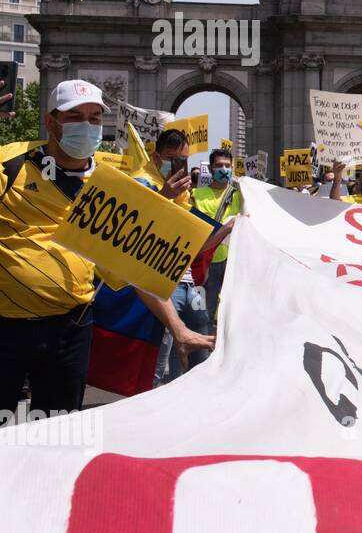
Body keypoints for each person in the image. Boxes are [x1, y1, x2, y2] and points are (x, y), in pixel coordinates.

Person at [0, 81, 212, 413]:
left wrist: (178, 328)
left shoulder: (113, 185)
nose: (87, 125)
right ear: (50, 121)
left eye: (95, 118)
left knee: (59, 433)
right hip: (5, 326)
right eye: (75, 117)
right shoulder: (9, 162)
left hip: (70, 329)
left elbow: (135, 265)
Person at [143, 128, 212, 382]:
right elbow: (135, 226)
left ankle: (189, 393)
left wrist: (224, 230)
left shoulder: (185, 192)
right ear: (156, 157)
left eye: (182, 160)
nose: (177, 166)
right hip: (157, 282)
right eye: (171, 159)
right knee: (160, 354)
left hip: (186, 278)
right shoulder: (143, 181)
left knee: (199, 329)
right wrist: (164, 197)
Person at [191, 147, 242, 319]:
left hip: (232, 261)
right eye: (219, 165)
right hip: (206, 262)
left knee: (230, 312)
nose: (224, 169)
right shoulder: (196, 195)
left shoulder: (240, 196)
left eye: (228, 165)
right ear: (211, 168)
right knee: (202, 313)